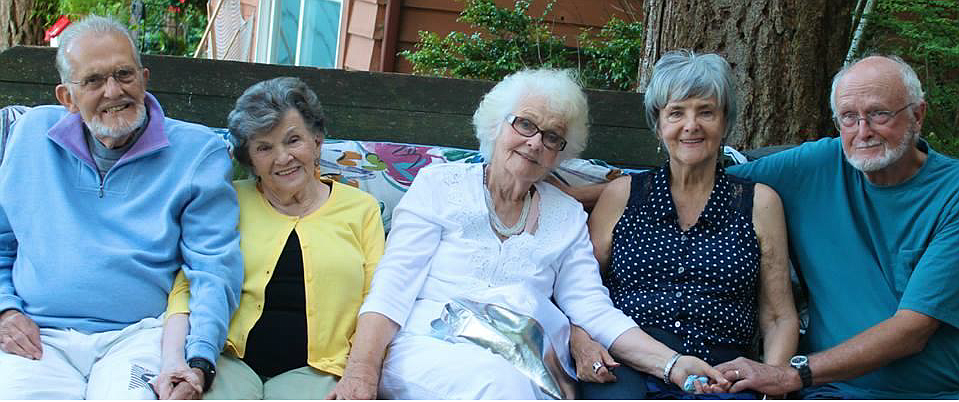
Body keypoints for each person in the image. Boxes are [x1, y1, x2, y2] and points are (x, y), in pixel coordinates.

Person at [327, 68, 731, 400]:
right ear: (496, 125)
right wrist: (361, 373)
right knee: (497, 383)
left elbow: (593, 308)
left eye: (552, 136)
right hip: (433, 344)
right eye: (525, 124)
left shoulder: (567, 216)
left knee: (510, 382)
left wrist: (672, 363)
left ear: (561, 152)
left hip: (527, 359)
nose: (535, 142)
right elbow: (392, 286)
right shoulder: (439, 185)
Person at [0, 15, 242, 399]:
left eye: (124, 74)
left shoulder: (197, 153)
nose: (113, 91)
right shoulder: (28, 135)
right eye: (93, 81)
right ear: (67, 98)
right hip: (37, 334)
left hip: (138, 335)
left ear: (144, 78)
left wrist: (198, 360)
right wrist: (5, 310)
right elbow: (2, 242)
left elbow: (214, 268)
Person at [711, 55, 959, 399]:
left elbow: (912, 330)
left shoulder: (952, 194)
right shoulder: (818, 165)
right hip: (832, 391)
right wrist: (613, 182)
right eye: (849, 117)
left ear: (917, 115)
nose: (863, 131)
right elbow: (698, 187)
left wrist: (791, 374)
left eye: (879, 114)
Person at [571, 50, 798, 399]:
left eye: (706, 112)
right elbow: (576, 288)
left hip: (721, 373)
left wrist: (773, 381)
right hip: (626, 362)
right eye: (676, 113)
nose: (691, 125)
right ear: (659, 125)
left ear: (724, 123)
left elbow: (778, 316)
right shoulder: (622, 195)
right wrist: (582, 342)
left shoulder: (759, 203)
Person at [155, 77, 385, 399]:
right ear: (249, 160)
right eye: (264, 147)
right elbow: (188, 286)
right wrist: (178, 361)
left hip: (321, 372)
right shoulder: (228, 200)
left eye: (293, 141)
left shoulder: (361, 209)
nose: (283, 158)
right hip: (227, 362)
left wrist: (361, 371)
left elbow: (379, 297)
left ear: (317, 141)